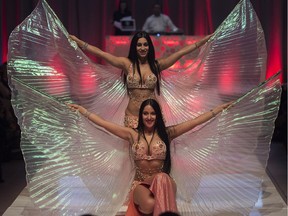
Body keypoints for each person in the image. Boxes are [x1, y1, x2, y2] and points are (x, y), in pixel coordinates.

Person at [68, 98, 232, 215]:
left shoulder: (167, 133)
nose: (149, 117)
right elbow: (105, 124)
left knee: (162, 178)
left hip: (165, 184)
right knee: (149, 204)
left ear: (158, 115)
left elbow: (195, 122)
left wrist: (217, 110)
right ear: (141, 115)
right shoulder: (132, 134)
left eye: (152, 113)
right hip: (140, 185)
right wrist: (84, 112)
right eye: (145, 113)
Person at [69, 31, 211, 128]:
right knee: (133, 153)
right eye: (139, 45)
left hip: (152, 115)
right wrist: (79, 43)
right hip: (132, 116)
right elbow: (101, 53)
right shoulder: (126, 64)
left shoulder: (157, 65)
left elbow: (181, 52)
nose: (142, 48)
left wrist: (205, 40)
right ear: (134, 47)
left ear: (149, 47)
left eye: (145, 44)